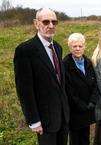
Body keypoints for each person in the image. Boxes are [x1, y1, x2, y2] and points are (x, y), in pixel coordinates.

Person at [13, 8, 69, 145]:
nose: (51, 25)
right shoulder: (25, 50)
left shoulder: (57, 47)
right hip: (44, 120)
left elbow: (59, 82)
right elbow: (25, 90)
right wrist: (34, 120)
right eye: (46, 21)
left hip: (62, 115)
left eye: (54, 22)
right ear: (36, 23)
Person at [63, 33, 98, 145]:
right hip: (75, 110)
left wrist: (93, 101)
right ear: (70, 47)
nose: (78, 49)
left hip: (88, 107)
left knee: (85, 136)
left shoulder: (88, 62)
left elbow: (95, 84)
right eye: (74, 46)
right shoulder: (65, 64)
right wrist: (82, 105)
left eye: (80, 46)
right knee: (75, 138)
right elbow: (68, 90)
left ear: (84, 46)